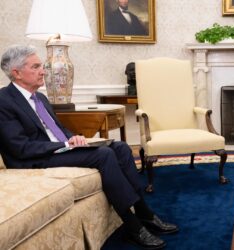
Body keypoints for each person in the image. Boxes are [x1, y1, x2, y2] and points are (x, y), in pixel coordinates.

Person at [0, 45, 177, 249]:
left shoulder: (39, 97)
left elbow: (57, 127)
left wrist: (72, 138)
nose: (43, 71)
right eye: (36, 66)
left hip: (58, 148)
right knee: (103, 155)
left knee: (119, 147)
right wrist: (63, 144)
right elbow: (19, 148)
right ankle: (133, 225)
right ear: (17, 73)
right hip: (33, 159)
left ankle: (144, 211)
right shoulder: (4, 101)